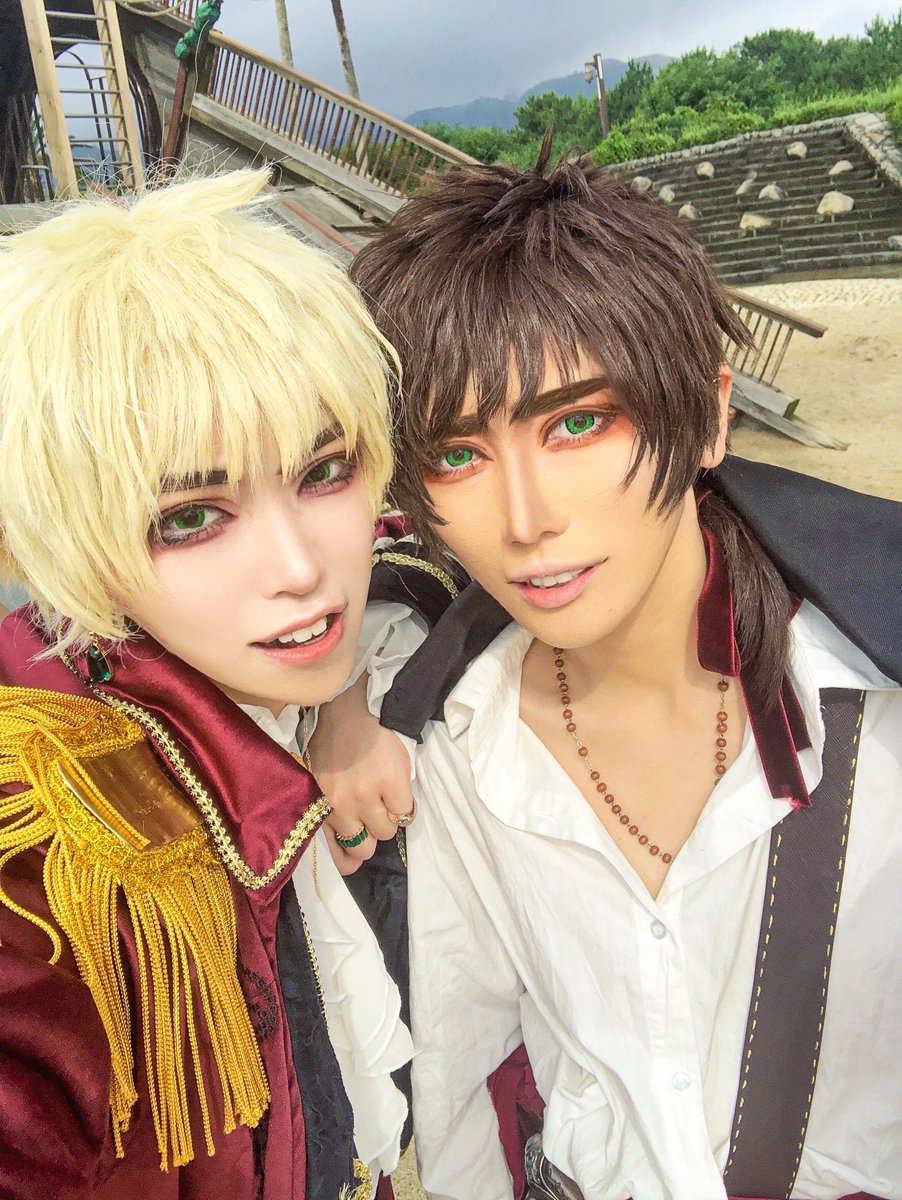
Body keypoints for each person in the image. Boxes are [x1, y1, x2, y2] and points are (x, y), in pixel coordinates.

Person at [312, 145, 902, 1200]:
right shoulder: (462, 745)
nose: (525, 517)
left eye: (578, 422)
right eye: (456, 453)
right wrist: (342, 704)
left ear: (708, 415)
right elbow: (463, 1069)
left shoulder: (874, 705)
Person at [0, 169, 414, 1200]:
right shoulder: (48, 835)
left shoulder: (289, 636)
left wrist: (343, 704)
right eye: (190, 518)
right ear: (69, 545)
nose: (302, 569)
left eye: (324, 470)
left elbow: (412, 542)